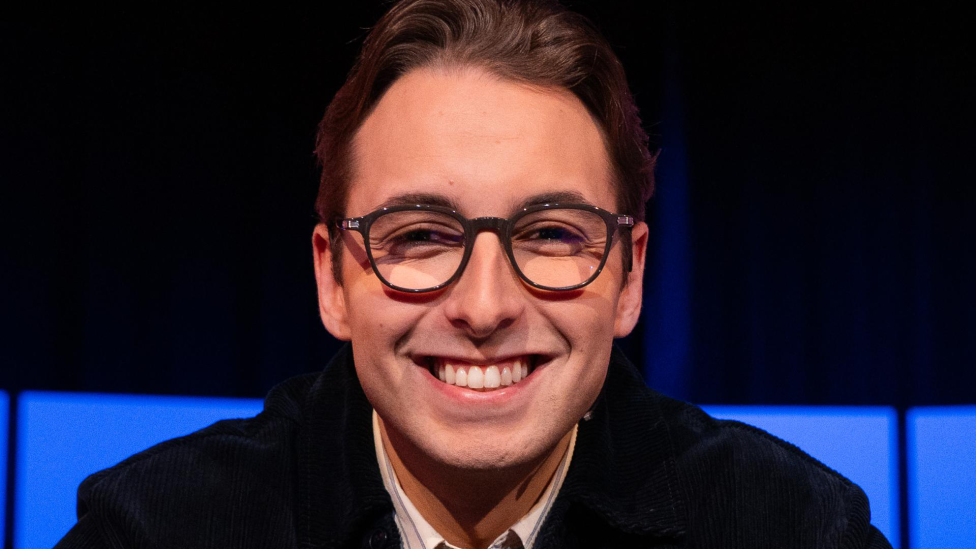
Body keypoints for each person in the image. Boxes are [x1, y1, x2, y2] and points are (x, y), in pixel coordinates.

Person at [57, 0, 891, 547]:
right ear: (333, 280)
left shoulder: (795, 527)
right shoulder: (157, 528)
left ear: (630, 276)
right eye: (420, 235)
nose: (485, 306)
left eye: (551, 233)